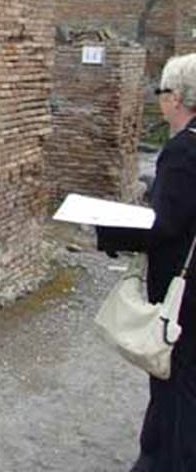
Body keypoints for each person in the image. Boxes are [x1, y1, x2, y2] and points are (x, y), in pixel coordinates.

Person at [121, 54, 196, 472]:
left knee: (176, 380)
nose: (160, 101)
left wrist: (109, 231)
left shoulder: (183, 151)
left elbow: (165, 226)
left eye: (163, 92)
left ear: (179, 98)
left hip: (184, 292)